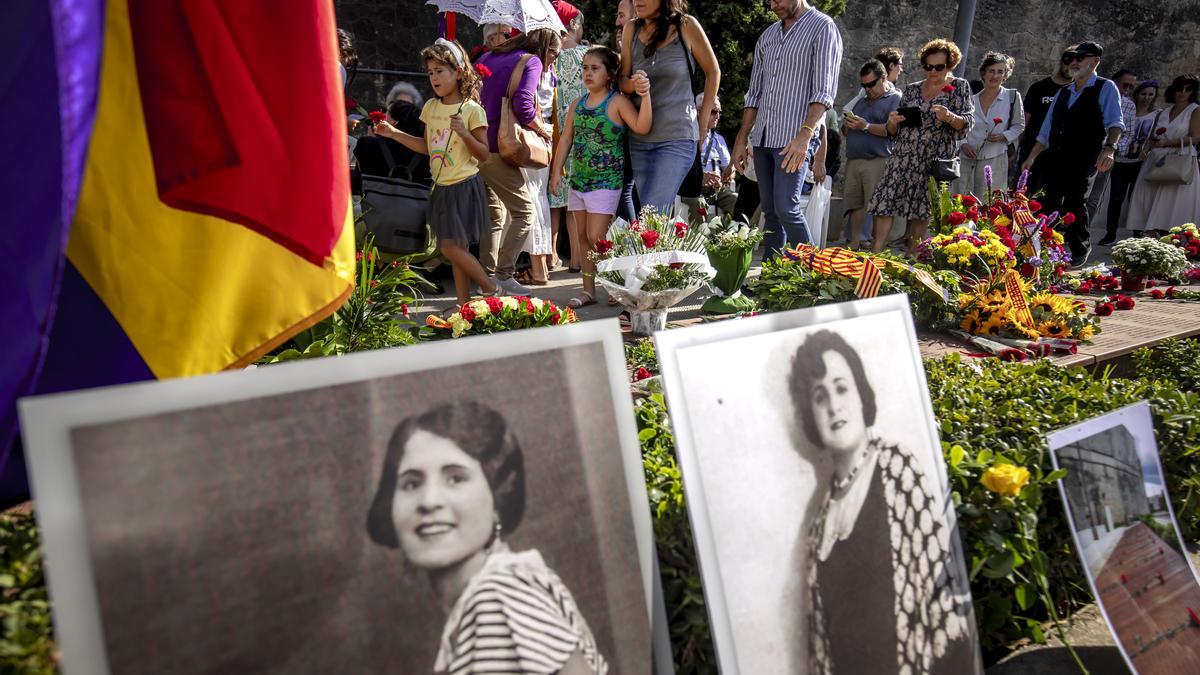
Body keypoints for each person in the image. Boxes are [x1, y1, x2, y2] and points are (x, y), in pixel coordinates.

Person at [366, 402, 608, 674]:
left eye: (455, 478)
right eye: (411, 483)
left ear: (498, 499)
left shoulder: (498, 597)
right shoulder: (502, 590)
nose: (429, 501)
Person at [792, 331, 976, 674]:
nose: (833, 405)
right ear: (810, 414)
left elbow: (945, 615)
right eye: (820, 396)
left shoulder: (897, 470)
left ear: (862, 393)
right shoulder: (819, 521)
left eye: (841, 387)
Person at [374, 40, 500, 305]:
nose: (434, 77)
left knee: (448, 247)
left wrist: (464, 133)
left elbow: (484, 154)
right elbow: (427, 148)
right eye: (430, 72)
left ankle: (491, 288)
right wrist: (394, 133)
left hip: (464, 186)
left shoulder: (471, 110)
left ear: (458, 72)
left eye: (440, 71)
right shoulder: (431, 108)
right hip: (441, 186)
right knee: (457, 250)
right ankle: (462, 306)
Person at [731, 0, 842, 257]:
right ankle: (771, 279)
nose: (773, 4)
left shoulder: (822, 27)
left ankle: (816, 271)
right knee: (770, 212)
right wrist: (741, 138)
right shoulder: (768, 36)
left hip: (794, 136)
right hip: (763, 136)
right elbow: (754, 93)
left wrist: (805, 137)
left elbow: (824, 92)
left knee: (786, 208)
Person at [551, 46, 652, 309]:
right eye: (585, 67)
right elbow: (566, 140)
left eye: (594, 68)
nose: (587, 72)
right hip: (579, 181)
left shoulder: (617, 102)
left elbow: (642, 126)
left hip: (607, 181)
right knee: (583, 238)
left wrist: (646, 95)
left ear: (609, 74)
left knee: (599, 236)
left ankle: (614, 283)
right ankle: (589, 290)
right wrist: (556, 172)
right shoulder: (577, 104)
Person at [1021, 42, 1125, 266]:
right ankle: (1047, 248)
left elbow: (1115, 122)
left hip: (1084, 156)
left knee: (1075, 201)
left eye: (1080, 58)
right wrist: (1031, 157)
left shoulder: (1104, 87)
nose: (1074, 62)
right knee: (1047, 201)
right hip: (1055, 156)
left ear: (1095, 61)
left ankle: (1079, 248)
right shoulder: (1063, 91)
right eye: (1071, 59)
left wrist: (1110, 149)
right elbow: (1045, 130)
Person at [867, 39, 974, 254]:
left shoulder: (960, 87)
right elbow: (894, 131)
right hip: (904, 155)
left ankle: (911, 259)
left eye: (939, 67)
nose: (933, 71)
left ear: (950, 65)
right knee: (885, 200)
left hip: (934, 158)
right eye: (928, 66)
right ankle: (876, 253)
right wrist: (892, 123)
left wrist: (950, 117)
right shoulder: (912, 89)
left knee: (921, 209)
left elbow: (967, 123)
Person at [477, 29, 562, 295]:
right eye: (554, 54)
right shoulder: (531, 61)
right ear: (546, 47)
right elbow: (524, 105)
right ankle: (503, 276)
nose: (553, 61)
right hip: (500, 146)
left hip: (476, 143)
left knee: (494, 216)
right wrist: (542, 128)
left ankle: (486, 281)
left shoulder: (490, 56)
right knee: (524, 212)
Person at [620, 0, 721, 215]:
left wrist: (702, 126)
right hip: (639, 139)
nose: (637, 1)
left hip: (677, 137)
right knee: (648, 216)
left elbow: (713, 72)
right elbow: (622, 80)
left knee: (652, 213)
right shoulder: (631, 28)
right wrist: (633, 84)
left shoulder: (686, 26)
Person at [1126, 74, 1200, 236]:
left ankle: (1173, 236)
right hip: (1156, 158)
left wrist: (1168, 143)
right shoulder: (1164, 112)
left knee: (1172, 199)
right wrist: (1145, 149)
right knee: (1145, 194)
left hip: (1179, 158)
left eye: (1188, 89)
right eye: (1180, 88)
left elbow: (1196, 137)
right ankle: (1148, 232)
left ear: (1193, 92)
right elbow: (1152, 136)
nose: (1183, 92)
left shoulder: (1195, 110)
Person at [517, 30, 564, 287]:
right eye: (554, 50)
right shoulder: (549, 73)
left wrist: (538, 127)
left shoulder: (534, 66)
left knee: (532, 201)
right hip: (544, 140)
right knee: (539, 200)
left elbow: (525, 107)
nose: (556, 55)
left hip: (532, 138)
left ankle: (538, 269)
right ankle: (541, 265)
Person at [841, 60, 901, 250]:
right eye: (864, 85)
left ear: (883, 78)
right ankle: (855, 242)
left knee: (877, 206)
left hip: (877, 159)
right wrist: (848, 125)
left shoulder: (895, 99)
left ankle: (877, 247)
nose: (867, 89)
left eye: (871, 84)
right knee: (855, 204)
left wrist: (865, 126)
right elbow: (845, 131)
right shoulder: (861, 101)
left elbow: (893, 132)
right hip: (854, 159)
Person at [552, 4, 590, 274]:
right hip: (585, 133)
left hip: (555, 133)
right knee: (579, 202)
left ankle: (550, 256)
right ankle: (578, 259)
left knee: (558, 201)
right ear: (574, 24)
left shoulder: (548, 57)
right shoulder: (588, 55)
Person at [955, 52, 1024, 196]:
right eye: (991, 71)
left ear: (1005, 75)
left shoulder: (1012, 97)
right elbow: (959, 126)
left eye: (1000, 72)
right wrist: (964, 144)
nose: (995, 76)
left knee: (990, 204)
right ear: (984, 73)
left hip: (995, 158)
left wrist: (1003, 136)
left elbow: (1019, 125)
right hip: (967, 159)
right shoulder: (970, 100)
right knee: (962, 202)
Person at [1101, 80, 1160, 243]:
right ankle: (1110, 233)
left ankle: (1137, 233)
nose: (1146, 98)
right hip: (1121, 160)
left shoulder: (1156, 114)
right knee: (1116, 198)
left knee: (1137, 199)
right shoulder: (1128, 110)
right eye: (1143, 94)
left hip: (1140, 162)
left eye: (1150, 95)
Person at [1087, 68, 1139, 238]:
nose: (1127, 89)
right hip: (1086, 150)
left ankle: (1083, 231)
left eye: (1131, 87)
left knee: (1095, 197)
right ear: (1115, 82)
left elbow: (1128, 133)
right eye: (1125, 84)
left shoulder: (1129, 105)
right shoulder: (1096, 95)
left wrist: (1113, 149)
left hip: (1106, 153)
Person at [1018, 50, 1072, 192]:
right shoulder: (1039, 87)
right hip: (1030, 150)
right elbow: (1025, 120)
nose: (1070, 66)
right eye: (1067, 61)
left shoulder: (1076, 93)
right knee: (1022, 196)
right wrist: (1015, 148)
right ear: (1061, 62)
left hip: (1058, 154)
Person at [682, 93, 737, 221]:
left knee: (735, 200)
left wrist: (724, 178)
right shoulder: (687, 137)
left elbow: (730, 169)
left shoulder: (719, 139)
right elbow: (679, 170)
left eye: (719, 112)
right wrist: (700, 177)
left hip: (715, 189)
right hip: (692, 188)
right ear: (700, 111)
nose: (717, 116)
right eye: (713, 111)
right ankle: (700, 239)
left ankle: (728, 237)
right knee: (698, 203)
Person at [355, 99, 431, 186]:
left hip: (373, 199)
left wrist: (371, 140)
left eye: (386, 113)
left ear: (394, 122)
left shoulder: (366, 144)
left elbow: (359, 177)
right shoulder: (426, 152)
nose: (383, 116)